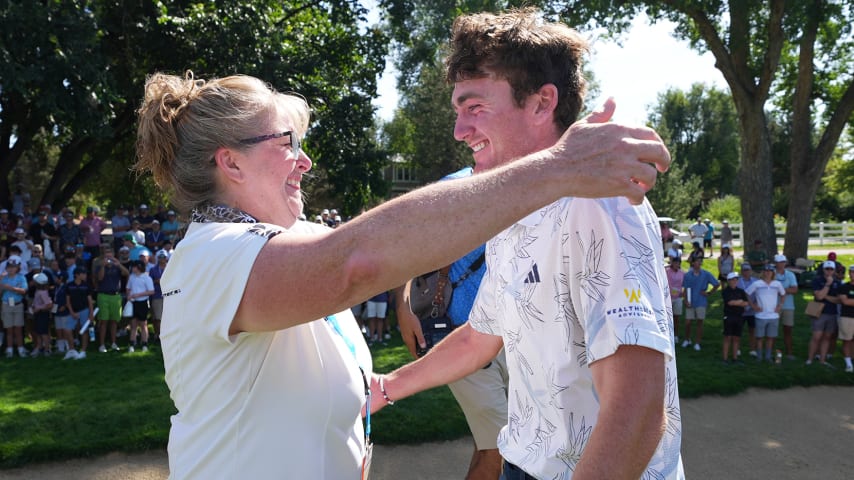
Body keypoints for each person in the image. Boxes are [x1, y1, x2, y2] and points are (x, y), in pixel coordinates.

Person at [133, 60, 671, 478]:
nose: (305, 160)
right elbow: (359, 260)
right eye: (287, 143)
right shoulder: (214, 256)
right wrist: (558, 168)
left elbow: (403, 241)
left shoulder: (279, 245)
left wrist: (385, 389)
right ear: (229, 162)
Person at [370, 10, 683, 480]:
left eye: (475, 108)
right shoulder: (514, 209)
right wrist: (386, 387)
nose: (460, 130)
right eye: (458, 110)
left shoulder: (599, 203)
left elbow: (637, 412)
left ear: (542, 103)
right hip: (522, 462)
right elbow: (481, 335)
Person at [395, 167, 505, 479]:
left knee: (494, 445)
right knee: (498, 451)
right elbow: (406, 245)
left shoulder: (531, 181)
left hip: (514, 339)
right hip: (464, 337)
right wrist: (404, 308)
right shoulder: (455, 186)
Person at [745, 264, 785, 363]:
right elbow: (747, 293)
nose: (767, 273)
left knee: (770, 337)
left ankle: (767, 356)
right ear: (763, 272)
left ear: (773, 273)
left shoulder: (777, 284)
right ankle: (759, 357)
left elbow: (783, 294)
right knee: (759, 337)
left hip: (773, 315)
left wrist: (780, 305)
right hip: (760, 315)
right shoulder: (757, 283)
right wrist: (753, 306)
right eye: (766, 271)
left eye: (770, 271)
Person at [93, 244, 128, 352]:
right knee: (103, 321)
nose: (108, 257)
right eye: (106, 255)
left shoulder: (117, 266)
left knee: (114, 321)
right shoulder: (99, 266)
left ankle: (113, 343)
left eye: (110, 254)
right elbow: (100, 278)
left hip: (115, 296)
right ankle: (102, 344)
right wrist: (103, 266)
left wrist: (118, 264)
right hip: (103, 295)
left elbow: (126, 273)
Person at [682, 256, 720, 351]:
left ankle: (697, 343)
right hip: (690, 302)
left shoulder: (706, 274)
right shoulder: (687, 275)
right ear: (693, 263)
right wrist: (685, 300)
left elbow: (717, 284)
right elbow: (686, 289)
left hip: (701, 302)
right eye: (697, 261)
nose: (699, 263)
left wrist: (709, 293)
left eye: (700, 262)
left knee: (700, 322)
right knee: (688, 322)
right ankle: (687, 339)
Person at [807, 261, 840, 366]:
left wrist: (824, 296)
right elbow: (819, 297)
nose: (829, 271)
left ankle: (822, 360)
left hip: (832, 312)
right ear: (823, 270)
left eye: (831, 269)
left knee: (827, 337)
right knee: (817, 336)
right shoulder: (817, 280)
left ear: (834, 271)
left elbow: (838, 300)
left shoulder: (838, 283)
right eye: (827, 269)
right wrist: (827, 285)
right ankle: (810, 359)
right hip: (819, 312)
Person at [1, 256, 28, 358]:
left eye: (14, 267)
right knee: (9, 329)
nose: (11, 269)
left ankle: (21, 349)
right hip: (6, 304)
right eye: (9, 267)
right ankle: (9, 349)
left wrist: (11, 288)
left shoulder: (21, 277)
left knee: (18, 328)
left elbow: (24, 291)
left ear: (17, 268)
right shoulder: (4, 278)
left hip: (17, 305)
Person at [773, 254, 798, 359]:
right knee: (772, 330)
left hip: (788, 306)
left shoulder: (790, 275)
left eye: (783, 262)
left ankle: (789, 353)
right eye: (779, 262)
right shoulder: (771, 274)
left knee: (788, 330)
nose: (782, 264)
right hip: (774, 306)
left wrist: (780, 290)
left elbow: (795, 290)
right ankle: (770, 352)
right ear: (775, 263)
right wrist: (786, 290)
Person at [66, 267, 94, 359]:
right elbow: (68, 301)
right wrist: (72, 312)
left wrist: (91, 313)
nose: (85, 275)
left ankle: (83, 351)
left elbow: (90, 301)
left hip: (84, 310)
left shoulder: (86, 285)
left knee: (84, 330)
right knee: (68, 330)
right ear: (77, 275)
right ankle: (72, 350)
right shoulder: (69, 285)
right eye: (83, 273)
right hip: (73, 311)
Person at [126, 260, 154, 353]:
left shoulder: (146, 278)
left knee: (143, 324)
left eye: (134, 267)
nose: (132, 268)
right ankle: (132, 343)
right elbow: (128, 288)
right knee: (133, 324)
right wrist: (129, 296)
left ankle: (145, 343)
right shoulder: (131, 277)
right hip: (133, 303)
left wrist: (138, 295)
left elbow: (151, 291)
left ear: (138, 267)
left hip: (142, 303)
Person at [721, 272, 748, 364]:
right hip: (729, 316)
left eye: (736, 279)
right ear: (729, 281)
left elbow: (746, 303)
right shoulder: (725, 291)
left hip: (739, 317)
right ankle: (725, 359)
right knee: (727, 337)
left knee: (737, 338)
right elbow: (729, 303)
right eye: (733, 279)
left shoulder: (741, 291)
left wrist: (737, 302)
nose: (735, 281)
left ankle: (735, 358)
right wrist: (740, 301)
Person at [736, 263, 760, 357]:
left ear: (751, 271)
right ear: (741, 271)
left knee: (752, 330)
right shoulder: (737, 282)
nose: (746, 272)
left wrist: (754, 305)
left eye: (748, 270)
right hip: (740, 310)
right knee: (738, 330)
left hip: (752, 310)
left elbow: (759, 294)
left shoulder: (756, 281)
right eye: (744, 270)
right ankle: (737, 348)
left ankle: (752, 349)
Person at [835, 265, 854, 372]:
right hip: (847, 317)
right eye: (851, 272)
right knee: (847, 340)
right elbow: (844, 301)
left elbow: (848, 301)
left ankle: (852, 360)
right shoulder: (844, 287)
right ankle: (848, 364)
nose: (853, 274)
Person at [29, 272, 53, 357]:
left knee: (44, 332)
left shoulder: (43, 292)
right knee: (38, 332)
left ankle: (47, 349)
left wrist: (39, 308)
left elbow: (49, 305)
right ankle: (39, 347)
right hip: (38, 314)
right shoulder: (38, 291)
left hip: (43, 314)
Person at [666, 256, 685, 344]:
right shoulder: (666, 272)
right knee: (668, 317)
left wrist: (683, 292)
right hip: (668, 298)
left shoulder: (682, 273)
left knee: (676, 317)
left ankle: (676, 335)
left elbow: (684, 284)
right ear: (672, 263)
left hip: (678, 297)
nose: (677, 264)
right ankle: (667, 335)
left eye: (678, 263)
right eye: (675, 263)